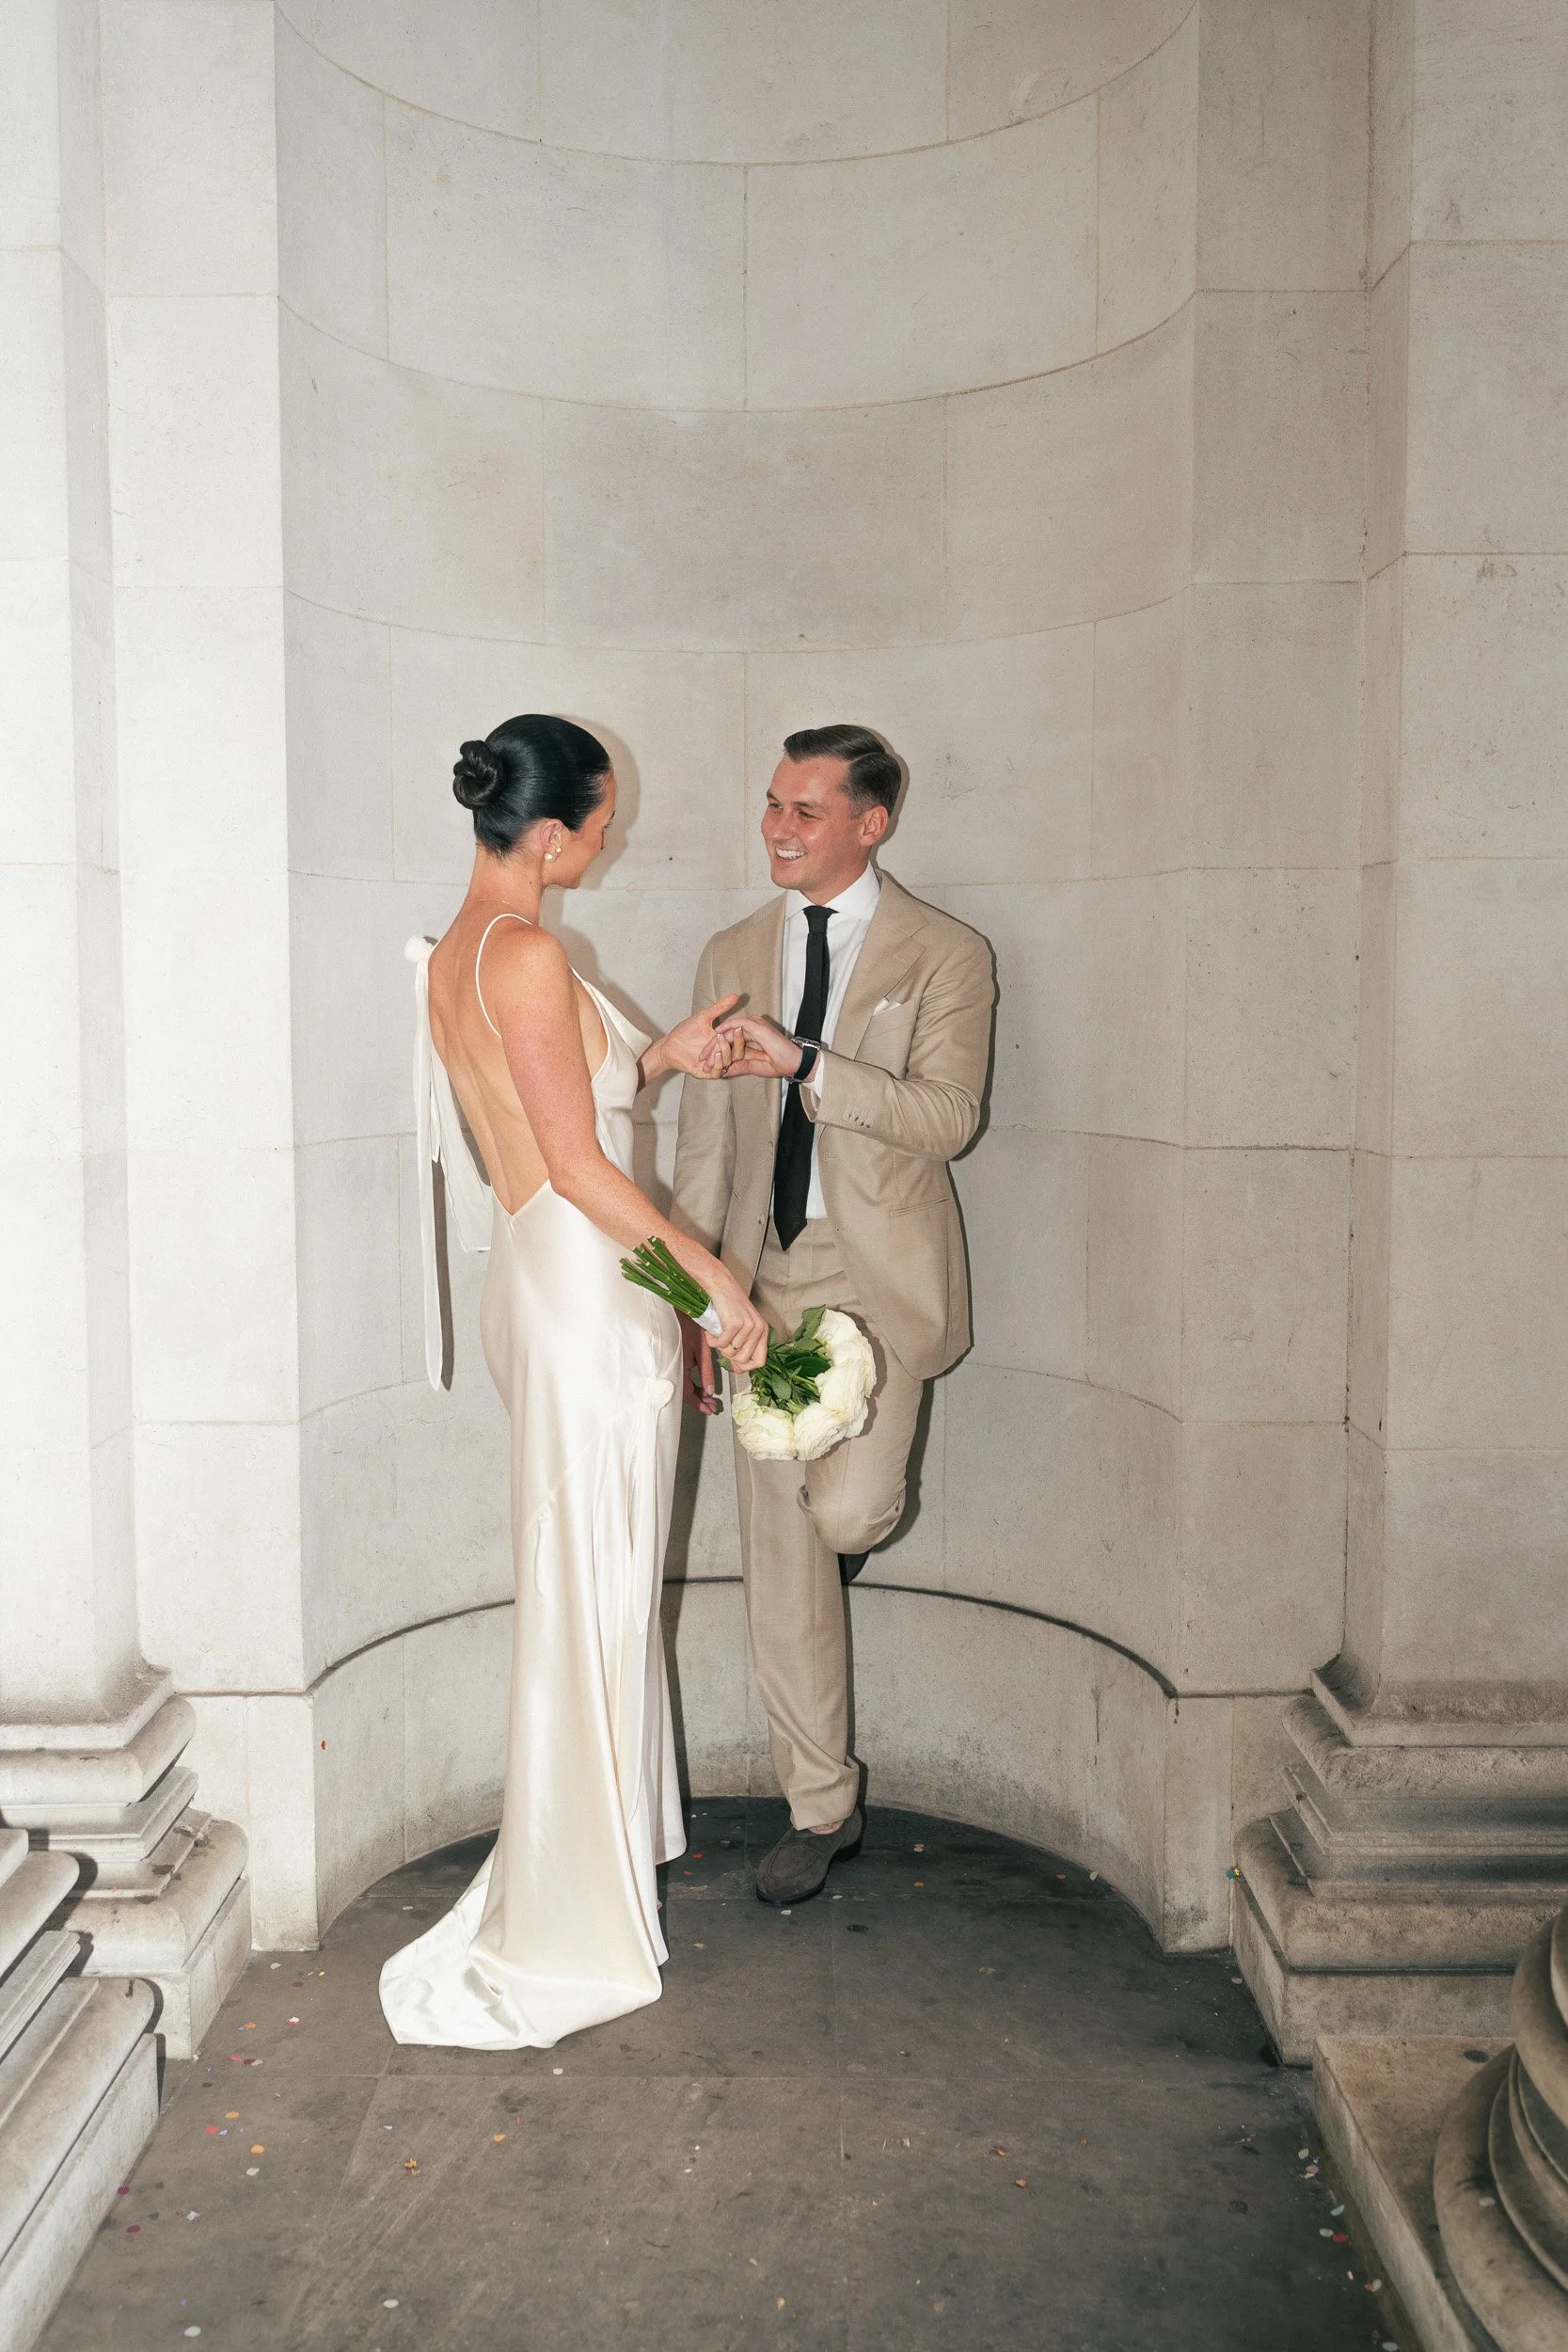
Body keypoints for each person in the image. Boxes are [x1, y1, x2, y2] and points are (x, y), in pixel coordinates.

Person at [380, 715, 768, 2050]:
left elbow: (561, 1128)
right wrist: (716, 1288)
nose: (604, 843)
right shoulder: (534, 953)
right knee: (592, 1591)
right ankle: (565, 1914)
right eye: (600, 824)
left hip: (549, 1282)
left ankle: (599, 1865)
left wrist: (661, 1058)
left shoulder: (463, 949)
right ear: (549, 833)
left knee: (591, 1585)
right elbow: (583, 1169)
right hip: (583, 1291)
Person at [673, 725, 994, 1907]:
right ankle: (819, 1805)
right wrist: (691, 1303)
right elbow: (705, 1146)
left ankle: (836, 1529)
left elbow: (947, 1115)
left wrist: (804, 1059)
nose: (778, 828)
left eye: (807, 810)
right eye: (771, 803)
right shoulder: (730, 947)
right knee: (781, 1564)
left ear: (871, 823)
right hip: (764, 1279)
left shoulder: (944, 951)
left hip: (877, 1277)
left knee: (849, 1512)